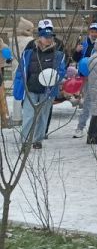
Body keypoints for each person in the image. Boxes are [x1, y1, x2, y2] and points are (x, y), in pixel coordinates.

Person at [13, 19, 66, 150]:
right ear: (40, 37)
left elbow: (61, 71)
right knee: (29, 116)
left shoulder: (58, 54)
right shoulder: (29, 52)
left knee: (43, 116)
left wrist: (55, 78)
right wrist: (19, 87)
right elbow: (21, 70)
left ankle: (38, 139)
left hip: (47, 91)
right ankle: (25, 141)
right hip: (31, 88)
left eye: (50, 36)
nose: (49, 39)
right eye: (45, 37)